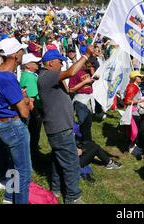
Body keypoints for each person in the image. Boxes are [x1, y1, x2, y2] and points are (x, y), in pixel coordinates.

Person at [38, 46, 95, 204]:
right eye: (59, 62)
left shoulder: (49, 76)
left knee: (58, 160)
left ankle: (56, 189)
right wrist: (86, 55)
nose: (61, 65)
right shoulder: (47, 75)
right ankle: (73, 197)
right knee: (71, 162)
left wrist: (83, 83)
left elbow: (69, 90)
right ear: (50, 63)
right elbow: (70, 72)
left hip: (60, 126)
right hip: (60, 128)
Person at [0, 38, 32, 204]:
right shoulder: (8, 78)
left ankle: (9, 196)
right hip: (13, 125)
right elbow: (25, 113)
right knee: (24, 171)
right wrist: (25, 98)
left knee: (14, 164)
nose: (23, 53)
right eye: (21, 51)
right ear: (14, 55)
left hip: (2, 123)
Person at [68, 59, 97, 145]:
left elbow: (89, 84)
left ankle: (86, 141)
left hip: (88, 99)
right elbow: (71, 89)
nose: (90, 66)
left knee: (87, 123)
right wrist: (84, 82)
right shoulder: (75, 73)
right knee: (80, 122)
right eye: (89, 63)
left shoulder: (87, 71)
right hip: (80, 100)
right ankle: (76, 141)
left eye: (91, 64)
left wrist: (93, 76)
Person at [19, 53, 43, 158]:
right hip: (34, 111)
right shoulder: (29, 77)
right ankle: (34, 155)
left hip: (31, 111)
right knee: (33, 134)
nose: (38, 63)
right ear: (28, 65)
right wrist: (37, 115)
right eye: (35, 62)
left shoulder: (27, 75)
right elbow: (31, 100)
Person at [124, 71, 144, 156]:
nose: (141, 78)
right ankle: (131, 148)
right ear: (134, 78)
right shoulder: (132, 87)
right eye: (139, 77)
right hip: (134, 112)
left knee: (135, 130)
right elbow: (128, 101)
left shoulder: (135, 86)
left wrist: (142, 99)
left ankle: (134, 146)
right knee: (134, 131)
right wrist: (140, 101)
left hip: (135, 111)